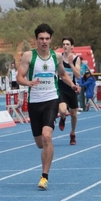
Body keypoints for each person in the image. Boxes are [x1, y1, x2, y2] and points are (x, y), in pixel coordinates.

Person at [16, 23, 80, 190]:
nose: (44, 41)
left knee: (47, 137)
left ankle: (44, 176)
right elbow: (19, 77)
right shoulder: (28, 56)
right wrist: (28, 82)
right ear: (36, 40)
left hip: (51, 100)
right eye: (41, 39)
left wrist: (72, 85)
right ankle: (45, 160)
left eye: (47, 38)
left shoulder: (56, 57)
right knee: (40, 143)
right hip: (34, 103)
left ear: (51, 40)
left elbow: (63, 74)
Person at [57, 36, 81, 145]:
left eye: (67, 44)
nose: (65, 46)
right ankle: (62, 117)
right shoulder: (59, 58)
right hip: (61, 87)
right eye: (64, 44)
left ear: (72, 46)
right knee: (62, 110)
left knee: (73, 114)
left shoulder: (76, 59)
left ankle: (73, 133)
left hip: (72, 89)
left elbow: (78, 75)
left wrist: (71, 64)